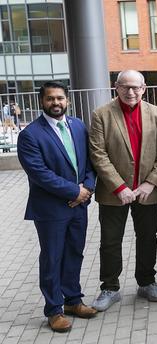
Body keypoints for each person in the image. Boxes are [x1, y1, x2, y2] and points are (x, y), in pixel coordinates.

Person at [89, 70, 157, 311]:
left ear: (144, 88)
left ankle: (146, 282)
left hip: (147, 190)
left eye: (136, 87)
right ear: (116, 87)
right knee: (110, 240)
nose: (130, 92)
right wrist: (119, 186)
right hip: (113, 192)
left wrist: (151, 182)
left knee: (147, 237)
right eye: (125, 87)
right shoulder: (101, 115)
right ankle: (110, 287)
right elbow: (98, 153)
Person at [17, 81, 97, 332]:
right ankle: (54, 310)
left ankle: (73, 300)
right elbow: (39, 173)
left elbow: (89, 163)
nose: (56, 103)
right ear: (42, 101)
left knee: (75, 253)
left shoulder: (78, 125)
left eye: (60, 98)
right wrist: (76, 191)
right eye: (50, 99)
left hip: (78, 206)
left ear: (68, 101)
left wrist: (87, 188)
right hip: (51, 209)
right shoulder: (30, 134)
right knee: (52, 258)